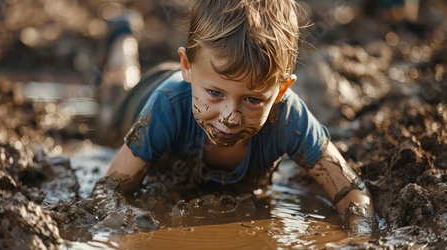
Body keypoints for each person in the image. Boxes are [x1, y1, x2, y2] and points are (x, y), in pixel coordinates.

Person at [102, 0, 374, 235]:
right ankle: (122, 38)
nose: (230, 117)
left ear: (281, 91)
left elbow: (350, 191)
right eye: (215, 94)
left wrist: (359, 237)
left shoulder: (289, 119)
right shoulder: (166, 109)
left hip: (205, 74)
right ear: (187, 67)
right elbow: (108, 192)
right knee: (111, 101)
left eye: (252, 99)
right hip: (141, 100)